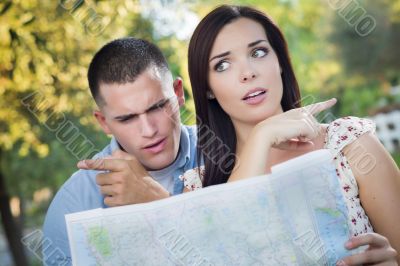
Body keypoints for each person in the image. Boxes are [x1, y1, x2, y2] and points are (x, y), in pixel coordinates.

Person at [185, 5, 400, 265]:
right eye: (223, 64)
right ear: (207, 88)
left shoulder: (348, 144)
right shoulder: (197, 188)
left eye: (258, 52)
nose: (248, 72)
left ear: (280, 63)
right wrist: (262, 136)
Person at [42, 37, 199, 265]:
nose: (149, 130)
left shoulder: (229, 151)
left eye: (157, 107)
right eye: (127, 118)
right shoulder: (72, 206)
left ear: (178, 92)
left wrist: (156, 205)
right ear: (103, 122)